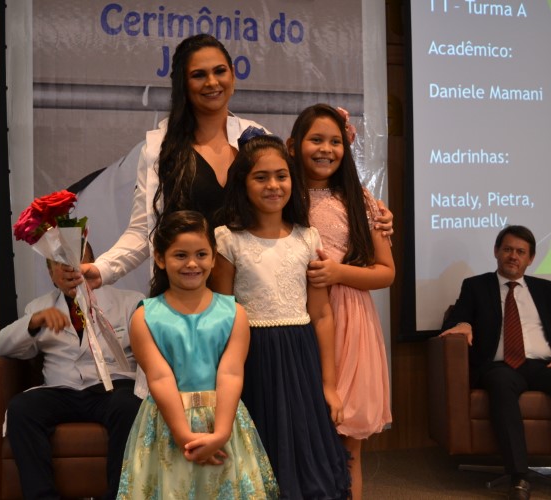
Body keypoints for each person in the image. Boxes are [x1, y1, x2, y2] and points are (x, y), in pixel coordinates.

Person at [79, 33, 394, 291]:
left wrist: (373, 214)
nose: (212, 82)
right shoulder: (160, 149)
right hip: (186, 296)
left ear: (232, 73)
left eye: (219, 71)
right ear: (183, 84)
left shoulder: (256, 137)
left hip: (253, 296)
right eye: (199, 75)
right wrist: (101, 270)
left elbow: (301, 197)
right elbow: (143, 231)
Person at [210, 130, 351, 499]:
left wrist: (329, 385)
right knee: (259, 452)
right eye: (261, 177)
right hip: (251, 357)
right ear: (243, 183)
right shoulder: (228, 239)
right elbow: (221, 316)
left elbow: (321, 314)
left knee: (305, 452)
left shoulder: (307, 238)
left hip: (301, 359)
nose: (273, 186)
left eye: (281, 176)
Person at [117, 210, 278, 499]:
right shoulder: (145, 317)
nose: (192, 263)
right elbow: (159, 377)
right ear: (160, 258)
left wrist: (221, 434)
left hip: (223, 421)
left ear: (214, 258)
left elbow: (231, 373)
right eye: (180, 255)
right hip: (168, 426)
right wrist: (183, 436)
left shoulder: (234, 313)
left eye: (201, 254)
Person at [287, 103, 395, 500]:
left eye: (335, 141)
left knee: (348, 445)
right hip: (297, 317)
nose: (326, 149)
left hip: (351, 320)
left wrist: (338, 273)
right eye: (316, 139)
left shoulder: (361, 200)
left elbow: (386, 272)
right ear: (294, 145)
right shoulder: (282, 194)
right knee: (300, 437)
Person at [440, 225, 551, 500]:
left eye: (521, 252)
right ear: (496, 252)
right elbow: (455, 319)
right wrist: (463, 324)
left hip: (542, 365)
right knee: (501, 383)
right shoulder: (476, 286)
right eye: (508, 249)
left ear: (530, 258)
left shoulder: (547, 290)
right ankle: (519, 477)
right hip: (499, 365)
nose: (513, 256)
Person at [0, 243, 144, 500]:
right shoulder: (38, 307)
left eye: (76, 261)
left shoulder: (129, 301)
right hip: (62, 390)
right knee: (21, 408)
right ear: (51, 273)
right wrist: (34, 322)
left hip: (112, 387)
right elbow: (0, 346)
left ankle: (117, 496)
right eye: (59, 264)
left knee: (129, 405)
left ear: (93, 264)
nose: (69, 269)